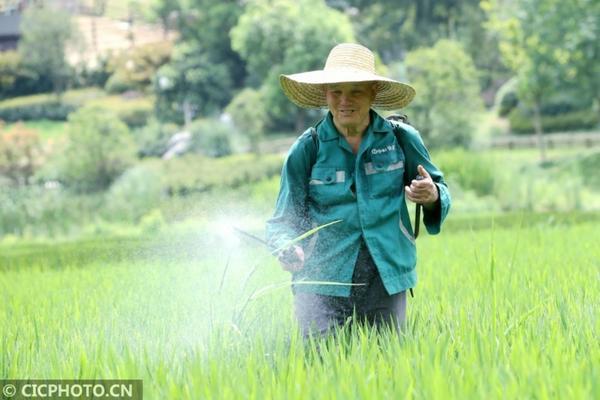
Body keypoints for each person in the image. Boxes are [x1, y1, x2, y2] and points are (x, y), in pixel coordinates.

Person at [265, 43, 451, 338]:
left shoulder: (401, 139)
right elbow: (282, 221)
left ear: (374, 92)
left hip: (385, 275)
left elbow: (440, 189)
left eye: (356, 91)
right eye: (336, 91)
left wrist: (432, 195)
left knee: (385, 365)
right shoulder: (307, 148)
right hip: (321, 278)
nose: (344, 101)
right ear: (325, 94)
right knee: (321, 364)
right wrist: (288, 245)